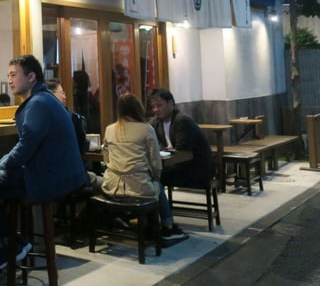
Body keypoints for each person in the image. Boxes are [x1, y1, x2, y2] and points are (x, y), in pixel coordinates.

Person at [0, 55, 87, 272]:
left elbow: (24, 149)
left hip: (48, 178)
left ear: (31, 77)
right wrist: (1, 164)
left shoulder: (38, 103)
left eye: (14, 74)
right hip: (57, 175)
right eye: (8, 75)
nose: (10, 80)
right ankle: (14, 241)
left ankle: (11, 244)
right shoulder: (43, 99)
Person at [102, 93, 187, 242]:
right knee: (157, 186)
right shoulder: (146, 129)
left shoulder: (110, 129)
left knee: (150, 184)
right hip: (139, 187)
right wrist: (154, 178)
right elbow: (156, 163)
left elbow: (106, 157)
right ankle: (168, 226)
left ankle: (124, 218)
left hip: (112, 187)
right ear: (138, 108)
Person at [148, 88, 213, 188]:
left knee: (154, 176)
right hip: (176, 164)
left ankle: (160, 199)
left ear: (170, 103)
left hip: (195, 167)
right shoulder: (156, 122)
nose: (156, 109)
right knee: (148, 173)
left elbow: (183, 153)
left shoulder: (182, 120)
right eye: (153, 107)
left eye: (159, 105)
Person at [46, 78, 102, 191]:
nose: (65, 96)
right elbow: (82, 145)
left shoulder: (40, 118)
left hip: (48, 179)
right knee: (106, 183)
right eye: (62, 93)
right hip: (70, 177)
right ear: (52, 95)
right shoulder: (69, 117)